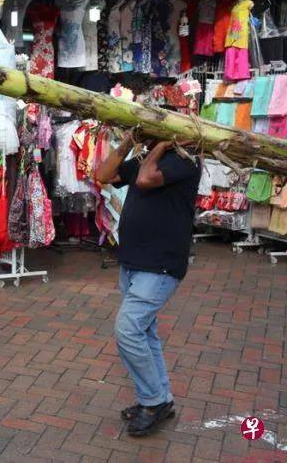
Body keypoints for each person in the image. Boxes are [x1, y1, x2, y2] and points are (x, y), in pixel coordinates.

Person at [95, 132, 201, 437]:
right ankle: (161, 398)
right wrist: (129, 141)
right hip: (133, 262)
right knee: (144, 332)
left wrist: (163, 146)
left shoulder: (187, 159)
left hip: (161, 265)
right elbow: (104, 174)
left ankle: (152, 402)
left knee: (128, 330)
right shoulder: (146, 156)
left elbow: (144, 180)